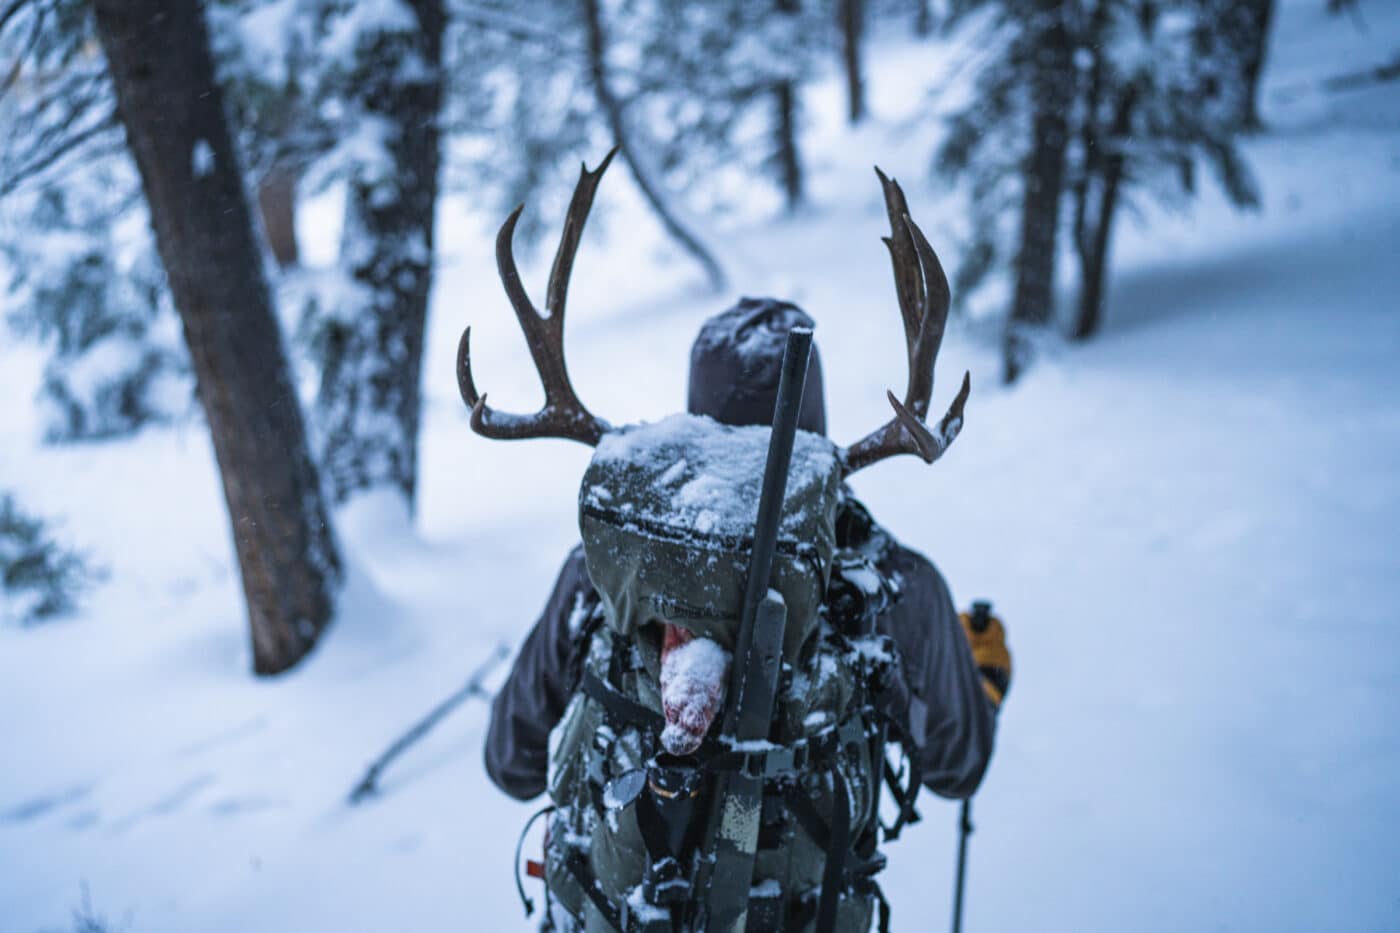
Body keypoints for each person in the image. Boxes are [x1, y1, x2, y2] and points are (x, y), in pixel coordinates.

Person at [485, 297, 1011, 809]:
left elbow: (511, 764)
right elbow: (957, 768)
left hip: (625, 892)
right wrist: (981, 684)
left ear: (697, 420)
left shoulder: (605, 569)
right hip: (808, 896)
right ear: (815, 411)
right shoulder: (895, 582)